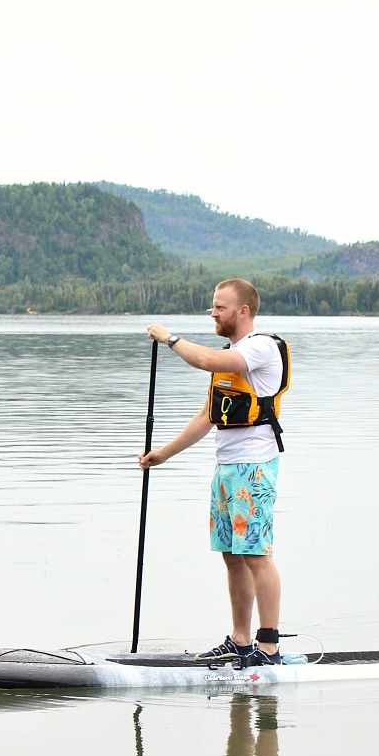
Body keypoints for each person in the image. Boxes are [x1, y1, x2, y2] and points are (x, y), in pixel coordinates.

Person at [139, 278, 287, 666]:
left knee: (255, 553)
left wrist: (168, 339)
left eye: (220, 307)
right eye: (212, 306)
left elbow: (204, 359)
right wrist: (164, 454)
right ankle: (240, 640)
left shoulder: (261, 348)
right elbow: (208, 415)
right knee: (231, 555)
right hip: (226, 467)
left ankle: (268, 646)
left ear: (243, 311)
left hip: (253, 467)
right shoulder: (230, 355)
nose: (213, 313)